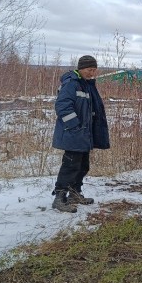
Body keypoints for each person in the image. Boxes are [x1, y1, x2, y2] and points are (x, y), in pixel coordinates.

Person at [51, 55, 110, 213]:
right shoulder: (72, 84)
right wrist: (75, 125)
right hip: (74, 134)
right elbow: (62, 106)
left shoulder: (86, 85)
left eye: (94, 70)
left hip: (83, 135)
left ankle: (74, 194)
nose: (92, 73)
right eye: (90, 70)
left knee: (83, 166)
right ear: (81, 69)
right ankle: (59, 198)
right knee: (70, 166)